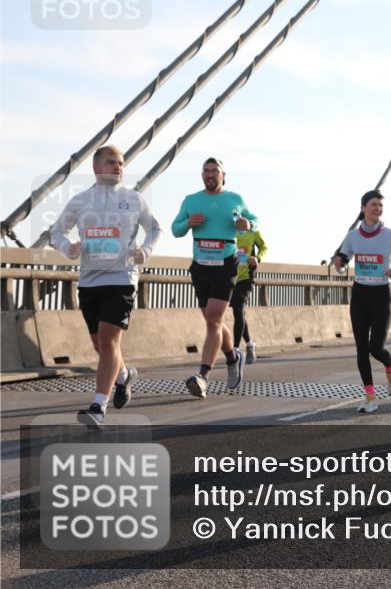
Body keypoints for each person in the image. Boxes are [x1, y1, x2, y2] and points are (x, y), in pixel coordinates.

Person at [51, 145, 162, 428]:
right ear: (96, 168)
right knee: (100, 345)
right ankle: (123, 375)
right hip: (89, 280)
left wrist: (145, 252)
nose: (118, 167)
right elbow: (56, 232)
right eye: (112, 163)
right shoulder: (81, 201)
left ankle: (98, 406)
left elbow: (155, 229)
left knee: (110, 340)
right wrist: (69, 248)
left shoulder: (133, 199)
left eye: (121, 164)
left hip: (122, 279)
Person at [172, 158, 258, 397]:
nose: (210, 175)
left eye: (215, 171)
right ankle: (232, 357)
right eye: (206, 171)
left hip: (226, 264)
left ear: (223, 175)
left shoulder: (235, 199)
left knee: (213, 318)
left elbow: (255, 221)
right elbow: (175, 229)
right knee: (214, 322)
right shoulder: (191, 200)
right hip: (200, 265)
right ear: (202, 175)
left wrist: (247, 223)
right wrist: (188, 223)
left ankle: (203, 376)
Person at [334, 190, 391, 413]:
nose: (377, 208)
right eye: (374, 204)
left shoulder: (389, 235)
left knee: (376, 348)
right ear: (363, 207)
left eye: (380, 205)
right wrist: (339, 263)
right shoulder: (353, 236)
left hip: (381, 295)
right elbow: (341, 260)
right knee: (361, 349)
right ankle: (370, 397)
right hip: (359, 295)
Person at [231, 224, 267, 364]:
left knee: (238, 309)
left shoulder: (253, 231)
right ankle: (250, 344)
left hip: (246, 277)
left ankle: (234, 350)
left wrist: (257, 258)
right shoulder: (228, 230)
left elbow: (264, 247)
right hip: (230, 277)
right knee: (239, 312)